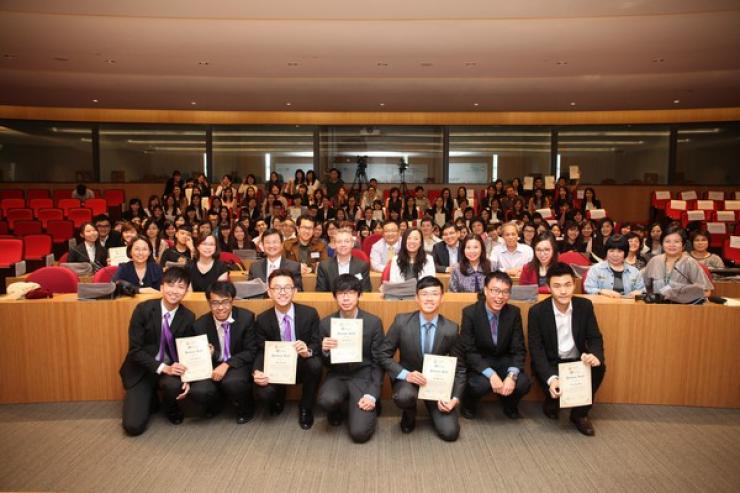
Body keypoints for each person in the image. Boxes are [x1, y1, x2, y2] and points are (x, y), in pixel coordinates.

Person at [377, 276, 466, 441]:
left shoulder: (451, 329)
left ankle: (433, 408)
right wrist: (406, 374)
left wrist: (454, 399)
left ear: (442, 298)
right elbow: (383, 354)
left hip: (437, 384)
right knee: (404, 397)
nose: (429, 298)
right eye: (425, 294)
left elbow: (460, 368)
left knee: (450, 433)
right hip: (408, 380)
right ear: (417, 298)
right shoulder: (401, 322)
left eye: (434, 294)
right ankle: (409, 413)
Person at [119, 267, 202, 435]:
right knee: (133, 427)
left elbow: (187, 351)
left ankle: (170, 405)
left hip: (170, 371)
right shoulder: (143, 310)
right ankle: (151, 400)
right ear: (162, 287)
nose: (174, 291)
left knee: (173, 385)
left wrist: (189, 377)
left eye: (181, 287)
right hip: (142, 369)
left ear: (186, 291)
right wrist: (162, 367)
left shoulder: (188, 317)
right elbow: (135, 350)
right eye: (170, 285)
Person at [527, 262, 606, 436]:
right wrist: (551, 378)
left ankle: (580, 414)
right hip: (551, 363)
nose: (563, 291)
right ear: (548, 287)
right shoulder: (537, 312)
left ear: (574, 285)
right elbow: (536, 350)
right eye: (557, 286)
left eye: (568, 285)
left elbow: (594, 337)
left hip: (578, 361)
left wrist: (595, 355)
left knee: (599, 366)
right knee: (548, 380)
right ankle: (551, 399)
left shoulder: (584, 306)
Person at [317, 274, 384, 443]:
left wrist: (372, 394)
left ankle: (363, 404)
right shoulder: (326, 323)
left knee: (360, 434)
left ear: (359, 295)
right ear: (335, 296)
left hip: (363, 376)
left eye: (351, 293)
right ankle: (341, 406)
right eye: (341, 293)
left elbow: (378, 362)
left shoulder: (373, 322)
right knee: (326, 400)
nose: (345, 298)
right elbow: (324, 363)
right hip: (337, 375)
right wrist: (324, 350)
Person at [253, 269, 322, 429]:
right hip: (277, 367)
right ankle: (277, 397)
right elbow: (260, 349)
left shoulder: (309, 314)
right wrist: (256, 371)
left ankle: (306, 407)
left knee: (315, 364)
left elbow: (316, 342)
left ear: (295, 291)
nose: (282, 292)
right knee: (263, 393)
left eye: (287, 288)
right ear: (269, 292)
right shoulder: (262, 319)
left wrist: (307, 350)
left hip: (301, 363)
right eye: (277, 288)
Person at [459, 271, 531, 420]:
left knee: (523, 383)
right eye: (495, 291)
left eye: (505, 292)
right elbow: (469, 350)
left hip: (504, 361)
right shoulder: (470, 313)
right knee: (479, 385)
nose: (500, 297)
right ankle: (468, 404)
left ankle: (509, 404)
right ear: (486, 290)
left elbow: (518, 349)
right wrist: (491, 374)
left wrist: (512, 375)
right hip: (480, 362)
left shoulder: (513, 312)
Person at [192, 281, 257, 424]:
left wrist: (227, 364)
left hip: (238, 364)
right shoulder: (200, 325)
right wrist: (208, 354)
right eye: (215, 303)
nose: (220, 308)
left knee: (233, 382)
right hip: (213, 364)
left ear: (232, 300)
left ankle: (246, 408)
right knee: (198, 391)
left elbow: (251, 351)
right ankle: (217, 403)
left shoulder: (246, 318)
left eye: (225, 302)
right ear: (209, 303)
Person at [642, 225, 714, 299]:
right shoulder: (654, 261)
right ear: (662, 244)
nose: (672, 245)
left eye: (676, 241)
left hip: (682, 307)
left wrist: (683, 297)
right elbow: (644, 286)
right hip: (657, 307)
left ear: (683, 245)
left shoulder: (690, 262)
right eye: (667, 241)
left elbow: (706, 291)